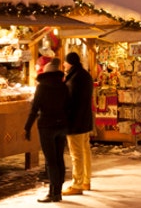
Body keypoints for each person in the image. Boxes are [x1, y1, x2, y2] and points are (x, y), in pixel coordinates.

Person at [23, 62, 69, 203]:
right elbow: (69, 106)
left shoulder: (41, 87)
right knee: (59, 158)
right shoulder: (63, 87)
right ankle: (58, 191)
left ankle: (53, 193)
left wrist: (27, 127)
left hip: (47, 127)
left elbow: (34, 109)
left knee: (51, 161)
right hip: (62, 126)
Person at [62, 51, 94, 196]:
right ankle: (86, 180)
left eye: (65, 62)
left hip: (75, 121)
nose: (63, 64)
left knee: (76, 154)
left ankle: (77, 184)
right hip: (85, 119)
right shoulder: (85, 75)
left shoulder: (74, 79)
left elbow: (70, 101)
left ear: (71, 63)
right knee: (85, 150)